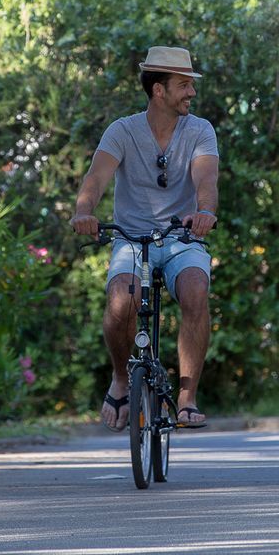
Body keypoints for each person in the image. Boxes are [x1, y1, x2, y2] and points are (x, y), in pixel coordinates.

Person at [70, 45, 220, 432]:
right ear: (159, 90)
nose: (191, 92)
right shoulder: (122, 131)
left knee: (195, 289)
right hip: (131, 239)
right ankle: (121, 378)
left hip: (181, 236)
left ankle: (186, 399)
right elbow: (97, 177)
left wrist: (204, 212)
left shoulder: (200, 130)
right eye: (184, 85)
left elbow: (207, 179)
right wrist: (84, 211)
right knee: (122, 299)